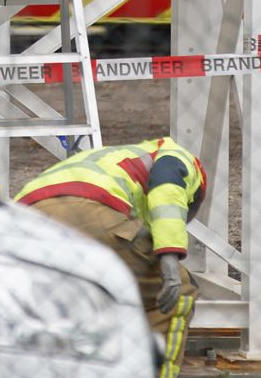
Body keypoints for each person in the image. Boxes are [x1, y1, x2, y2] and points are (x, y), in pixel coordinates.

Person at [16, 137, 205, 378]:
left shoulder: (110, 158)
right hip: (89, 209)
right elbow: (168, 189)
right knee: (179, 291)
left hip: (27, 219)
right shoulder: (177, 155)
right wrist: (169, 258)